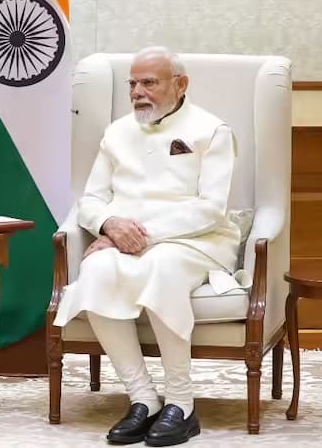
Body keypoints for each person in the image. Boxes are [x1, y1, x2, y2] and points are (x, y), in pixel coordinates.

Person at [53, 47, 240, 446]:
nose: (138, 92)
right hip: (125, 241)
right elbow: (90, 199)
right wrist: (109, 224)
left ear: (180, 84)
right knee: (97, 270)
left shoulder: (212, 130)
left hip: (197, 242)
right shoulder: (117, 132)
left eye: (149, 83)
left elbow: (210, 209)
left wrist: (138, 236)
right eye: (133, 84)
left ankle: (182, 404)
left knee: (162, 266)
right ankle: (143, 399)